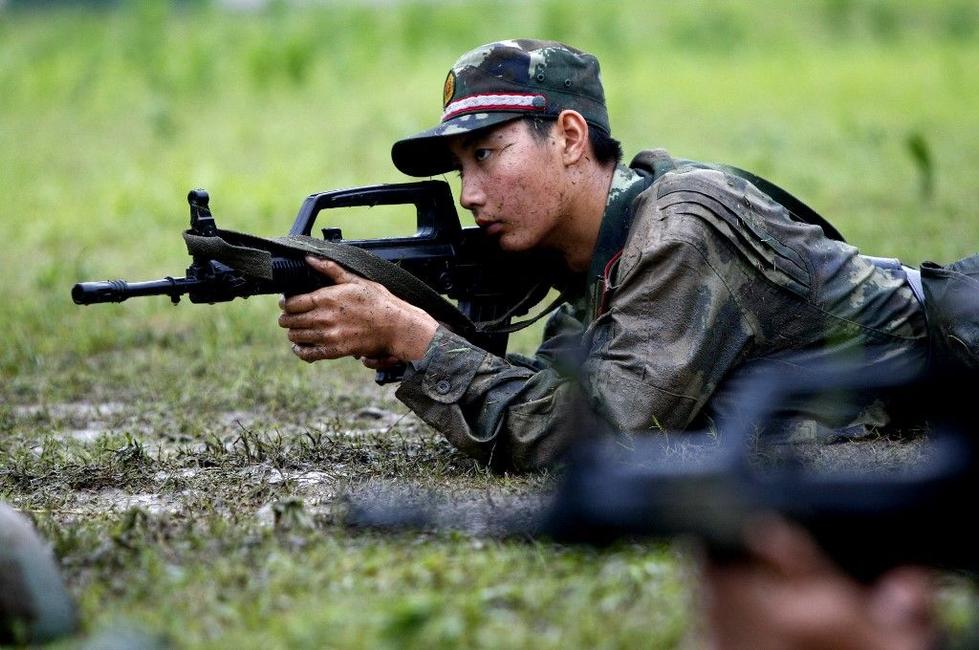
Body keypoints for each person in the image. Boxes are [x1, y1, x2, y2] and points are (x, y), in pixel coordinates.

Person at [278, 39, 977, 470]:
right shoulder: (596, 247)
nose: (469, 193)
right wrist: (418, 345)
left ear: (570, 137)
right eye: (461, 166)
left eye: (487, 155)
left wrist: (414, 336)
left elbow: (586, 435)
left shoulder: (678, 231)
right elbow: (553, 394)